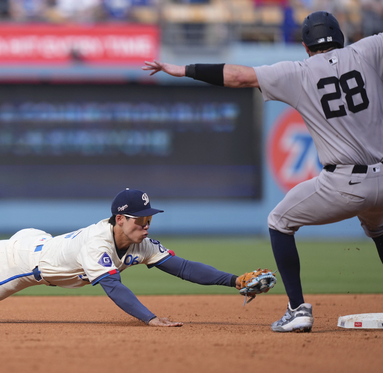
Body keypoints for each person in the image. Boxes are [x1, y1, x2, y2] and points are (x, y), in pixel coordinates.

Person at [143, 11, 383, 333]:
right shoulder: (369, 49)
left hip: (345, 181)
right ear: (341, 37)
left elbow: (239, 76)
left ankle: (297, 309)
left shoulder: (298, 71)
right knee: (377, 225)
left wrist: (185, 69)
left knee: (279, 221)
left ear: (305, 46)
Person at [0, 188, 249, 327]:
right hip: (20, 266)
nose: (147, 223)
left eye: (149, 218)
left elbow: (182, 267)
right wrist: (151, 318)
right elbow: (113, 286)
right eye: (141, 218)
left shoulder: (138, 241)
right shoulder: (99, 244)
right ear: (120, 218)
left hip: (33, 241)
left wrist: (234, 281)